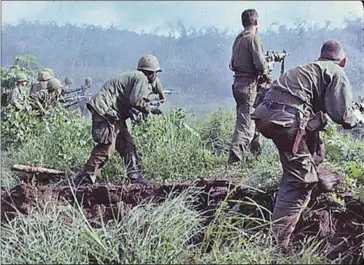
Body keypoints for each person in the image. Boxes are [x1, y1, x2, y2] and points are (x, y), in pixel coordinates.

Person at [251, 40, 364, 248]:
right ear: (343, 61)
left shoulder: (309, 69)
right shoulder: (335, 71)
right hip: (285, 119)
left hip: (266, 115)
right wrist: (357, 115)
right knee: (300, 181)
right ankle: (277, 245)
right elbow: (343, 116)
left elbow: (316, 114)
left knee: (308, 152)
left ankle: (322, 180)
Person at [72, 54, 164, 186]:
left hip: (113, 114)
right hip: (106, 112)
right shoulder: (141, 78)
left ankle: (135, 176)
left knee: (127, 144)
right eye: (155, 73)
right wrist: (150, 108)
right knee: (107, 146)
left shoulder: (135, 77)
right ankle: (85, 178)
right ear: (151, 73)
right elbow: (136, 101)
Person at [227, 8, 272, 166]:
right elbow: (260, 65)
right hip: (248, 85)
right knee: (246, 124)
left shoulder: (238, 39)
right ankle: (234, 162)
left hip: (239, 83)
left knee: (252, 118)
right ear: (257, 23)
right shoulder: (253, 38)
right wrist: (268, 69)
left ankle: (255, 156)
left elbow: (233, 63)